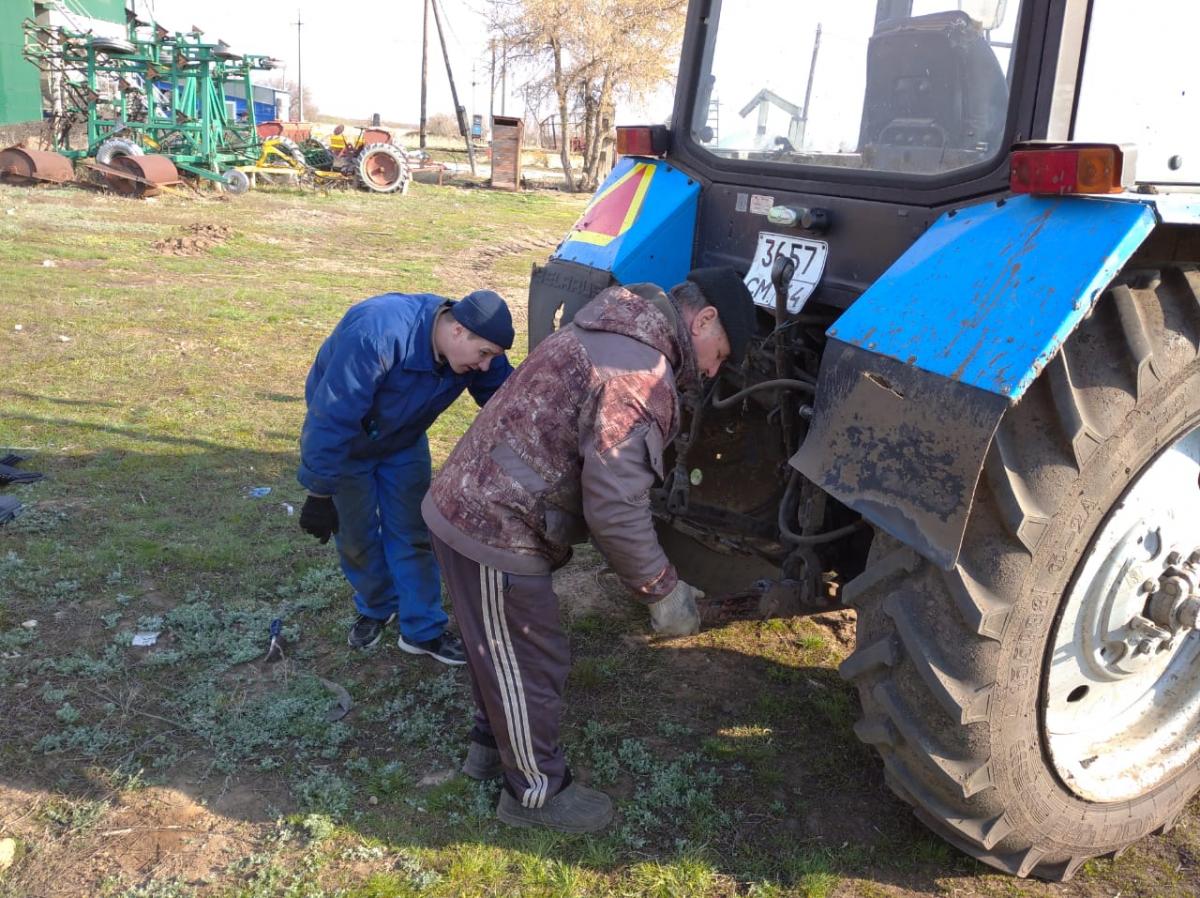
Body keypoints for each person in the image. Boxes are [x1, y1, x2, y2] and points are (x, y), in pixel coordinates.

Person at [421, 267, 757, 831]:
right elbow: (615, 506)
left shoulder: (614, 324)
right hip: (493, 523)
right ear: (702, 320)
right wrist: (662, 590)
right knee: (529, 660)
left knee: (495, 648)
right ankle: (534, 795)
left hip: (473, 501)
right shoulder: (637, 375)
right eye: (718, 354)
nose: (711, 370)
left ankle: (488, 750)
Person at [298, 288, 515, 665]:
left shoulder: (475, 350)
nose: (485, 366)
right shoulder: (376, 334)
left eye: (492, 358)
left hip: (403, 442)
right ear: (458, 331)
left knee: (413, 532)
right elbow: (332, 414)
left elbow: (506, 405)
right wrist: (319, 492)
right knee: (355, 535)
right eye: (484, 355)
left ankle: (422, 630)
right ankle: (377, 605)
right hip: (348, 442)